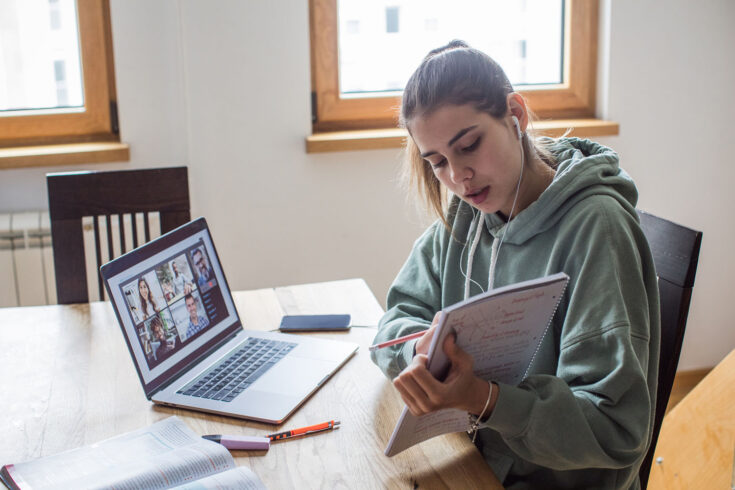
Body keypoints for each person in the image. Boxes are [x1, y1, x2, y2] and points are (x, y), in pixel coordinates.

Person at [369, 40, 660, 489]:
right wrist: (420, 356)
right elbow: (397, 318)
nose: (458, 177)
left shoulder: (595, 227)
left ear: (516, 115)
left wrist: (485, 399)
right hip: (474, 461)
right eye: (438, 162)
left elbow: (614, 429)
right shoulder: (468, 217)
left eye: (469, 145)